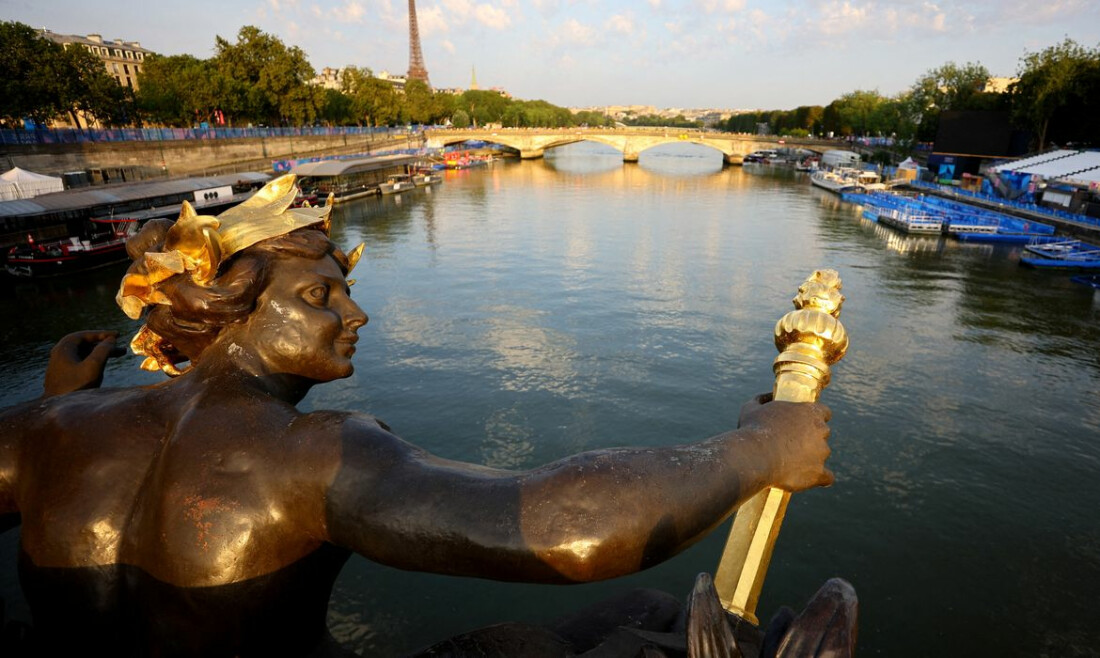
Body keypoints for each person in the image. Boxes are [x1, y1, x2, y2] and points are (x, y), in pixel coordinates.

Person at [0, 175, 834, 657]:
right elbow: (567, 525)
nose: (353, 316)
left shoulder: (52, 431)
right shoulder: (309, 454)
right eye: (322, 295)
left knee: (641, 616)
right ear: (234, 313)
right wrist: (759, 446)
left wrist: (57, 403)